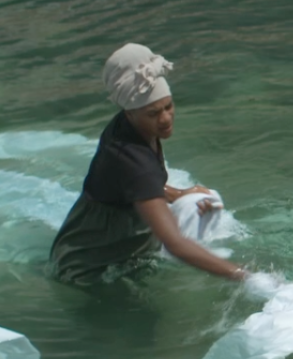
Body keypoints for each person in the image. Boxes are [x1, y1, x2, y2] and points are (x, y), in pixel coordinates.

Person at [49, 43, 248, 286]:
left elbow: (135, 186)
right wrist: (245, 276)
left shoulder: (128, 127)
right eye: (153, 114)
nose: (165, 119)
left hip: (121, 250)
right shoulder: (130, 158)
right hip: (88, 269)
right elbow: (175, 245)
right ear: (130, 113)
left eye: (168, 106)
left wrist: (179, 195)